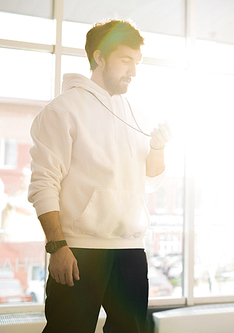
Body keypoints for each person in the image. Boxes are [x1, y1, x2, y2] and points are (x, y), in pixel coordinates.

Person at [28, 19, 173, 333]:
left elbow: (149, 180)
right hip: (79, 249)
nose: (133, 71)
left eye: (136, 63)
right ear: (99, 57)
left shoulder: (137, 112)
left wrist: (158, 147)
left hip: (130, 249)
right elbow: (44, 182)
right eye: (125, 61)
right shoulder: (62, 110)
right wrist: (56, 246)